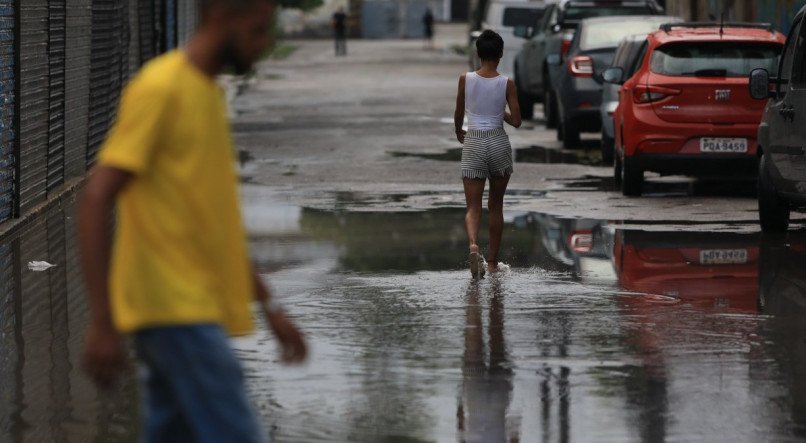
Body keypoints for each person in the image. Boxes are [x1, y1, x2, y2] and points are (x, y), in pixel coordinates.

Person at [78, 0, 307, 441]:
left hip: (186, 311)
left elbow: (214, 226)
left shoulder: (206, 94)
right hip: (175, 309)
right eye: (259, 30)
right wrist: (102, 322)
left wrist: (270, 306)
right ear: (223, 15)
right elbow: (95, 196)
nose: (265, 44)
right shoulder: (161, 89)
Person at [453, 29, 521, 279]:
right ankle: (492, 262)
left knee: (473, 206)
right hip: (498, 142)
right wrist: (498, 110)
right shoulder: (507, 83)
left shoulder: (465, 79)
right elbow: (517, 120)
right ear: (501, 54)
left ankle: (473, 245)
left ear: (478, 53)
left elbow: (459, 112)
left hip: (474, 142)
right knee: (496, 206)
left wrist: (459, 131)